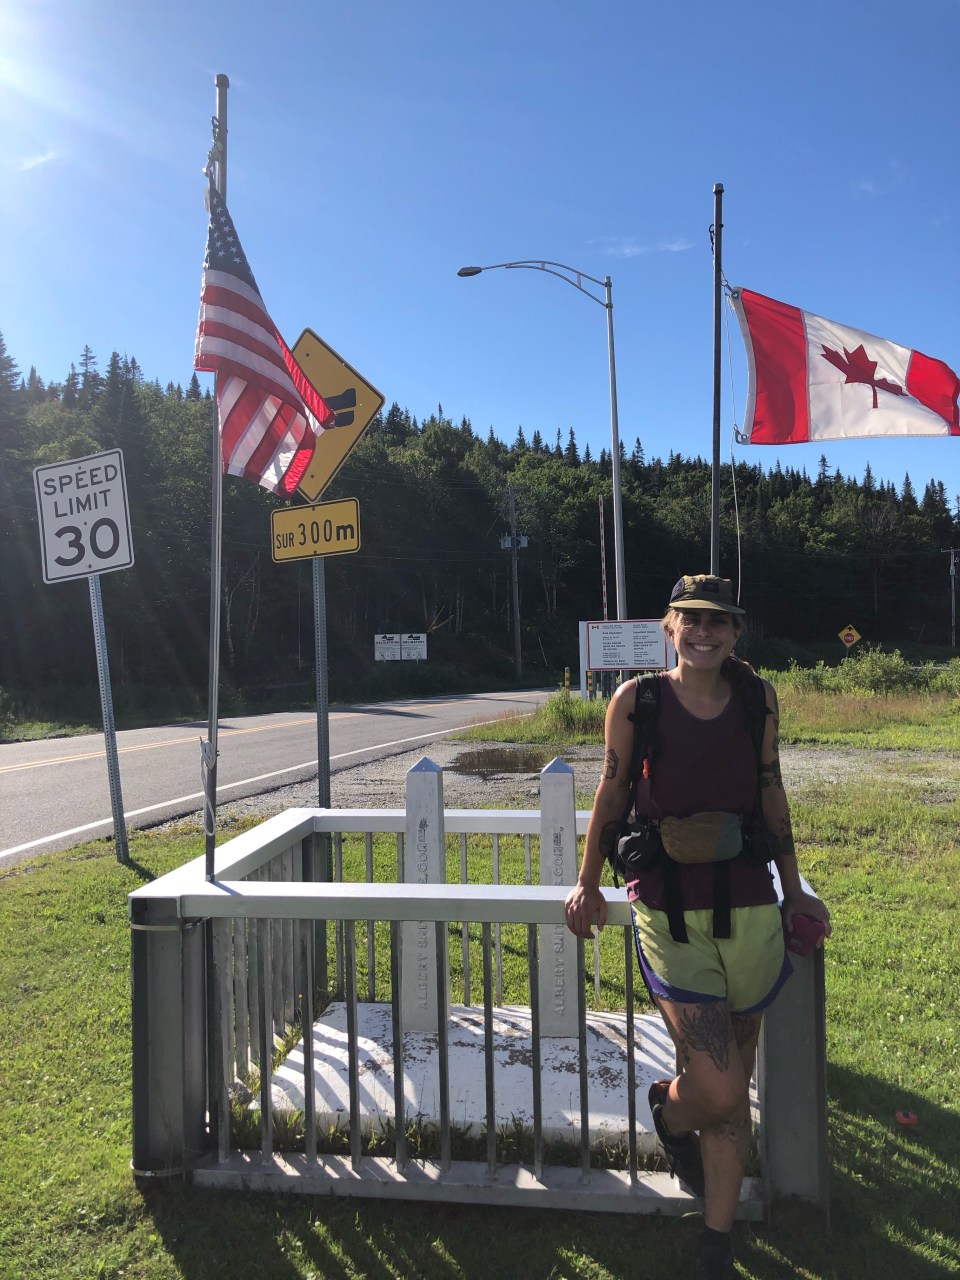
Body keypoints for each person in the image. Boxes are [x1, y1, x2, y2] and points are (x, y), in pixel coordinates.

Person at [564, 574, 831, 1280]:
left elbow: (771, 787)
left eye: (718, 621)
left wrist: (794, 890)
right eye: (691, 619)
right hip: (668, 904)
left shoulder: (757, 697)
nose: (704, 632)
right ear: (670, 628)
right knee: (718, 1087)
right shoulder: (638, 700)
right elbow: (612, 790)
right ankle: (669, 1112)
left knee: (730, 1083)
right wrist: (587, 882)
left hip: (748, 900)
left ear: (736, 632)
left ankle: (716, 1241)